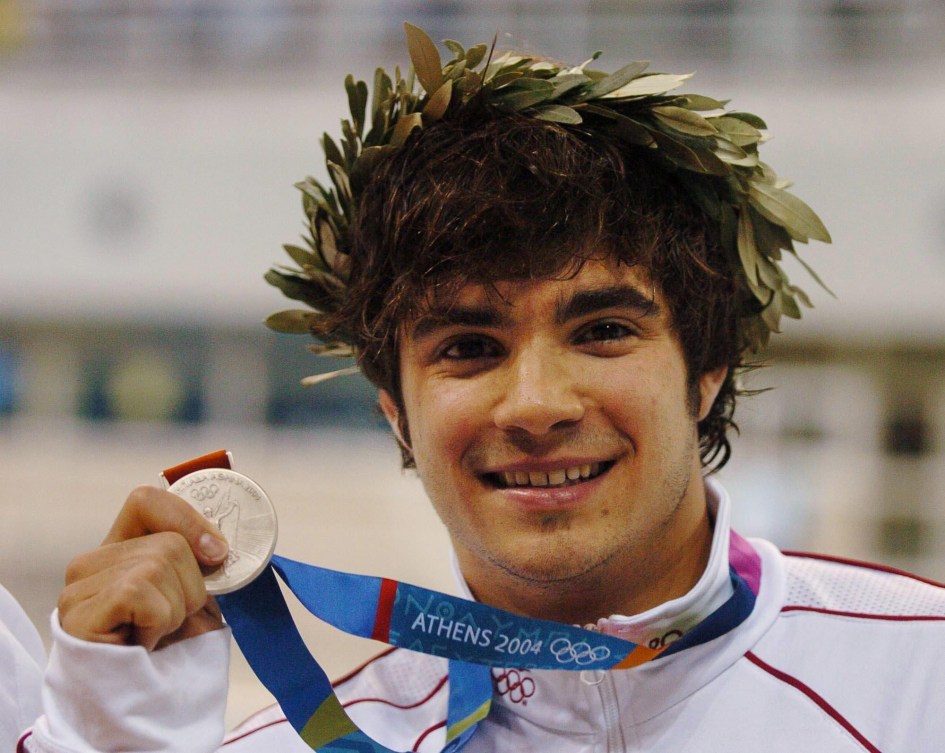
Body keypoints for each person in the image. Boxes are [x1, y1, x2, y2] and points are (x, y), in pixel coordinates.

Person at [20, 24, 945, 753]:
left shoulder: (918, 676)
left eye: (603, 331)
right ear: (398, 413)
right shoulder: (307, 743)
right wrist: (108, 735)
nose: (536, 403)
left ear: (707, 371)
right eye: (468, 345)